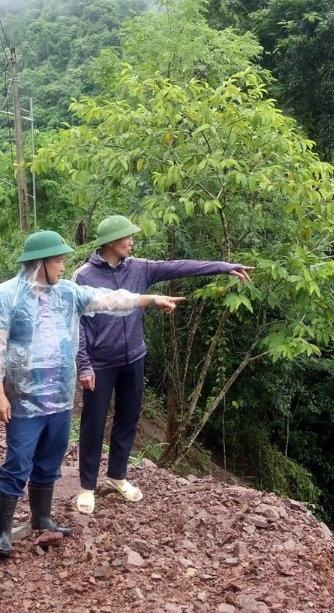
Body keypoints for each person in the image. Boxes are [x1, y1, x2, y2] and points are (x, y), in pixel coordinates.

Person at [0, 229, 185, 559]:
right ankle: (1, 531)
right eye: (59, 261)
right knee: (18, 461)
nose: (63, 267)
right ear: (40, 263)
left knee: (50, 457)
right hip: (23, 399)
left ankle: (41, 517)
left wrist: (148, 299)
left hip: (59, 398)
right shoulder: (8, 296)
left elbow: (108, 298)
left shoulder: (66, 293)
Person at [71, 215, 253, 514]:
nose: (131, 241)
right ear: (110, 242)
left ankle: (117, 476)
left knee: (128, 420)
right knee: (93, 425)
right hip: (101, 363)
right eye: (127, 237)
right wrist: (85, 365)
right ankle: (87, 487)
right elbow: (76, 323)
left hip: (134, 359)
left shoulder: (140, 268)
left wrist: (224, 266)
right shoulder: (83, 277)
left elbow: (179, 266)